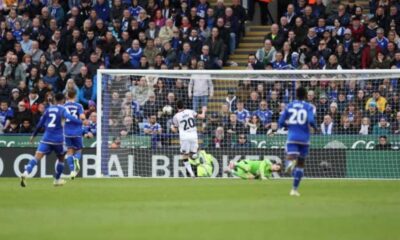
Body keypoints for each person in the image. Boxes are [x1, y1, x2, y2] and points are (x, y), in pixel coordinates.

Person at [20, 93, 82, 187]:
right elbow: (69, 118)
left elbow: (40, 124)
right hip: (58, 139)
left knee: (37, 157)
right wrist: (80, 122)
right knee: (61, 159)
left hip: (46, 138)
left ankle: (25, 172)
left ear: (55, 100)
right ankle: (57, 180)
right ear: (63, 100)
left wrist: (33, 135)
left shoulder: (48, 110)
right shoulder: (63, 109)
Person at [278, 86, 317, 196]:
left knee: (290, 156)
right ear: (305, 96)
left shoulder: (289, 106)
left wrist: (289, 125)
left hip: (292, 137)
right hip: (304, 138)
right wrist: (315, 127)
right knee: (301, 164)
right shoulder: (308, 106)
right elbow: (311, 120)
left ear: (296, 95)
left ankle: (289, 163)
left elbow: (280, 122)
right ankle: (294, 189)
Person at [171, 100, 206, 178]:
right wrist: (203, 110)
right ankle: (199, 158)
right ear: (184, 106)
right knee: (193, 154)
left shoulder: (176, 116)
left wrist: (171, 127)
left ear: (177, 107)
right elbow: (202, 117)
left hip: (184, 137)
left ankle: (192, 174)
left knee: (185, 155)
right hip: (194, 136)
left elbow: (175, 130)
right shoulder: (190, 111)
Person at [64, 89, 86, 179]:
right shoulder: (79, 106)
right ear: (75, 96)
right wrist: (83, 120)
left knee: (69, 151)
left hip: (66, 132)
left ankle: (72, 171)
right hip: (77, 132)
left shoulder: (64, 106)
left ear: (67, 96)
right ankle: (76, 158)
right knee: (79, 150)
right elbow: (82, 117)